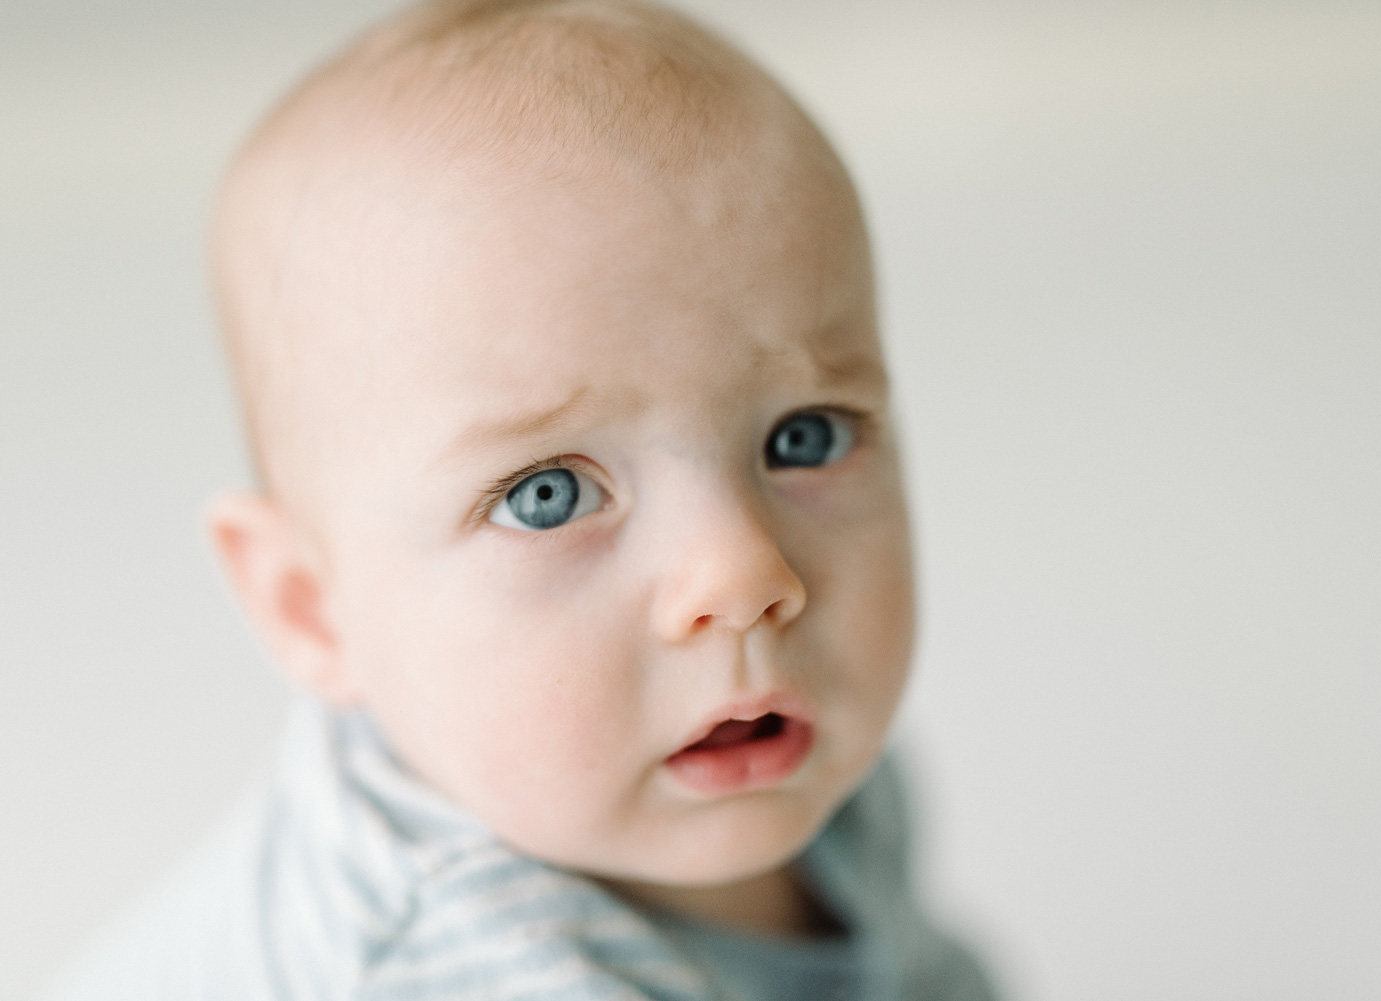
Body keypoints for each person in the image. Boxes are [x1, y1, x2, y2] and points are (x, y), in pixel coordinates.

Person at [44, 1, 996, 998]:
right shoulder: (471, 966)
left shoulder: (787, 748)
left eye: (802, 437)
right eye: (548, 495)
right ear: (311, 604)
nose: (747, 571)